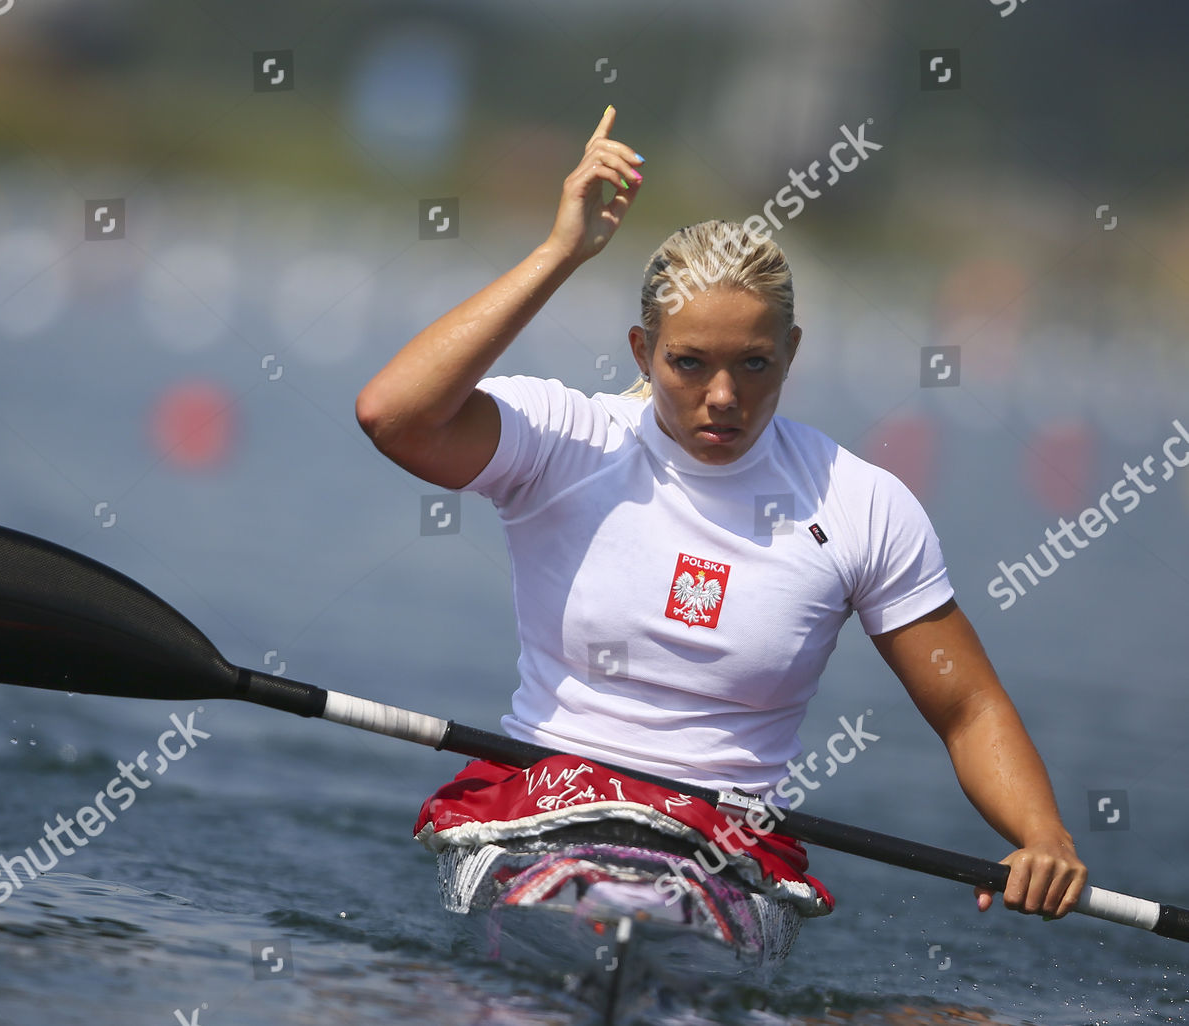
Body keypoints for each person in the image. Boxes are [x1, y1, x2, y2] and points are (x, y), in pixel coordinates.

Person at [355, 105, 1086, 919]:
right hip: (545, 803)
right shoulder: (566, 438)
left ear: (793, 353)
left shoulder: (859, 503)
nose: (724, 397)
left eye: (755, 364)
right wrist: (561, 251)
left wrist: (1042, 835)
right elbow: (396, 416)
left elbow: (968, 706)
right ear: (642, 352)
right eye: (690, 363)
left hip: (730, 848)